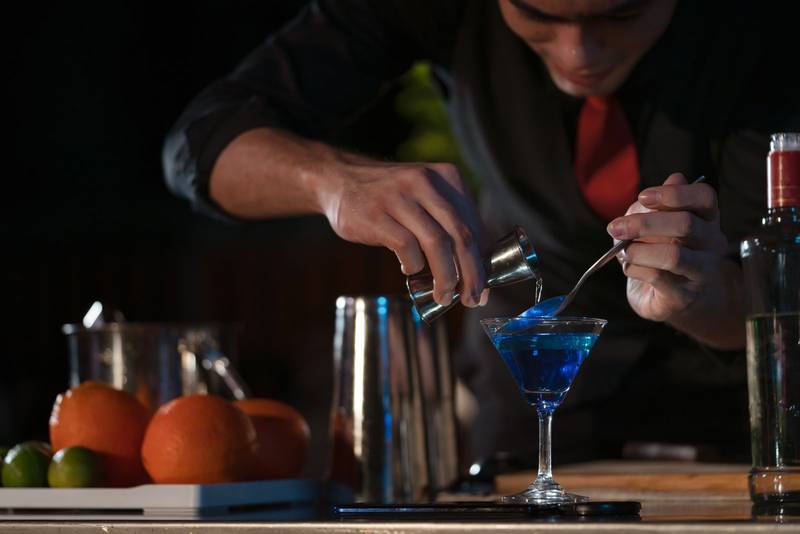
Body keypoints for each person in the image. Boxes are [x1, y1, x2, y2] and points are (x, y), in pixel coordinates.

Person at [163, 0, 800, 463]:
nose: (579, 54)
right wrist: (333, 181)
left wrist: (701, 297)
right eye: (536, 14)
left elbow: (780, 304)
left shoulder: (767, 28)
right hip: (526, 428)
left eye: (621, 15)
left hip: (746, 423)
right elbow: (201, 142)